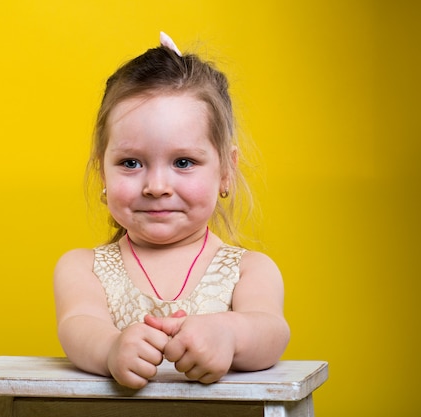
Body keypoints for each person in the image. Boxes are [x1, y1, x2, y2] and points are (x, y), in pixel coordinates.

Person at [53, 32, 290, 389]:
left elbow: (271, 330)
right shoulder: (82, 269)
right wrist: (111, 348)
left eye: (183, 161)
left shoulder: (249, 271)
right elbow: (78, 324)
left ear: (226, 170)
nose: (156, 186)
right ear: (103, 171)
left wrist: (228, 334)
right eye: (131, 163)